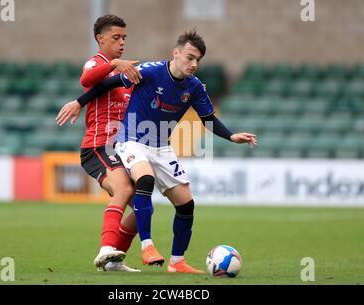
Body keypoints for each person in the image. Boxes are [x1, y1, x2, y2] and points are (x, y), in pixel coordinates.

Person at [58, 30, 257, 273]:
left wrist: (231, 136)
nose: (193, 64)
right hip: (130, 139)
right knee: (145, 179)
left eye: (198, 60)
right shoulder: (151, 71)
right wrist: (79, 102)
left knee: (186, 203)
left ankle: (177, 262)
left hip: (161, 146)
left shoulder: (194, 87)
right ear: (176, 53)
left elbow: (208, 118)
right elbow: (108, 83)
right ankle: (147, 246)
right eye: (189, 57)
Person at [56, 14, 142, 272]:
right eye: (116, 38)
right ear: (100, 38)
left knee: (143, 207)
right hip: (98, 147)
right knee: (123, 190)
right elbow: (87, 80)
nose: (122, 42)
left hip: (122, 149)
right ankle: (106, 247)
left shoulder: (124, 74)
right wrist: (115, 62)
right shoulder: (96, 62)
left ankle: (114, 261)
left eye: (124, 38)